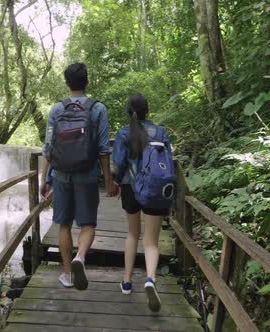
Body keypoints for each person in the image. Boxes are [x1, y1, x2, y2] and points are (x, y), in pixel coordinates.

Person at [40, 63, 116, 290]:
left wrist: (44, 180)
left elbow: (47, 147)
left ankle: (67, 274)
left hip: (61, 174)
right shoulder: (97, 109)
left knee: (63, 224)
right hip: (87, 174)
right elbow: (103, 149)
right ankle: (80, 257)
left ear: (66, 83)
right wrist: (109, 180)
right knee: (87, 223)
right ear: (87, 82)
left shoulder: (56, 110)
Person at [112, 93, 172, 312]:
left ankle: (127, 282)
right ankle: (150, 279)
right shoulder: (161, 132)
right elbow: (168, 164)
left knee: (132, 234)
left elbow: (118, 163)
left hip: (130, 187)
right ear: (148, 110)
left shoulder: (123, 133)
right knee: (151, 242)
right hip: (155, 189)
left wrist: (117, 182)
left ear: (129, 112)